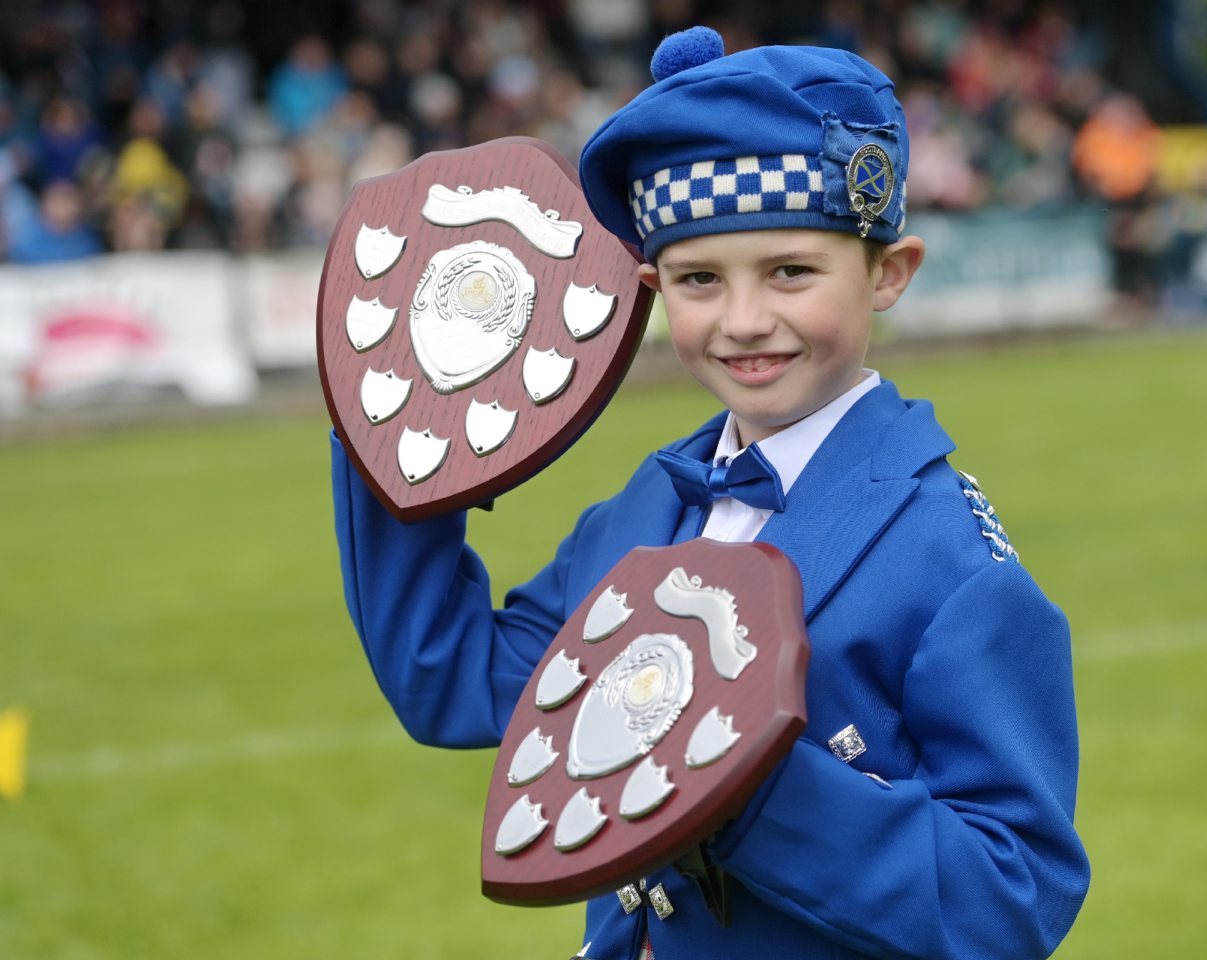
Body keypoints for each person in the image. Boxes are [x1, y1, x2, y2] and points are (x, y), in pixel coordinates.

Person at [331, 26, 1088, 960]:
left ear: (889, 272)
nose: (743, 321)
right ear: (652, 288)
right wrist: (398, 437)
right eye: (699, 280)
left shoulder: (947, 558)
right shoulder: (650, 507)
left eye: (791, 271)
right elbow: (455, 682)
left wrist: (732, 784)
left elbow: (1012, 893)